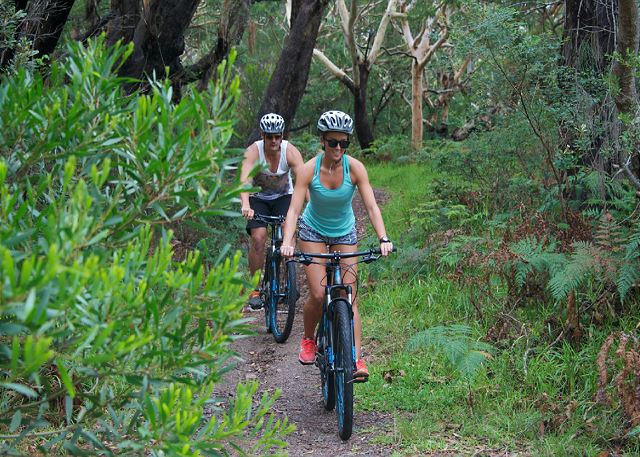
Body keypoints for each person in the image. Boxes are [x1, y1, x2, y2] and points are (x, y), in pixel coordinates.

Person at [280, 110, 393, 380]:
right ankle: (309, 339)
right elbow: (294, 210)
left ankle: (355, 358)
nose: (339, 148)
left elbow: (371, 206)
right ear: (323, 141)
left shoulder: (355, 169)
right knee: (319, 294)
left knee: (348, 296)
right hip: (313, 232)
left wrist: (383, 238)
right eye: (333, 142)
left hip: (344, 234)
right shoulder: (309, 169)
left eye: (344, 143)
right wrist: (287, 242)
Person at [240, 113, 304, 310]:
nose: (274, 141)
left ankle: (289, 280)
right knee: (259, 238)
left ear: (282, 135)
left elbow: (304, 181)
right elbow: (244, 180)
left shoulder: (290, 152)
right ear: (263, 136)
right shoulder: (253, 151)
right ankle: (255, 289)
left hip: (284, 198)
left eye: (277, 136)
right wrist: (245, 204)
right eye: (270, 137)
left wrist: (311, 207)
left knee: (287, 233)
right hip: (258, 199)